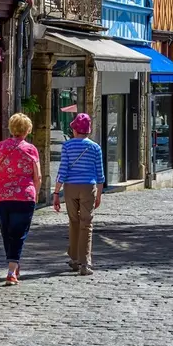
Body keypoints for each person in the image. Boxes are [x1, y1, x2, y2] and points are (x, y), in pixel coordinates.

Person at [0, 113, 42, 286]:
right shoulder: (31, 149)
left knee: (6, 232)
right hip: (24, 196)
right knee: (18, 233)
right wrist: (36, 192)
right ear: (27, 130)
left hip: (1, 196)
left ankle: (13, 264)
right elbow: (37, 175)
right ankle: (11, 270)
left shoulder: (0, 147)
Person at [53, 113, 104, 275]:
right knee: (86, 223)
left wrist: (56, 192)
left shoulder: (67, 146)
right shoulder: (95, 148)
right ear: (88, 131)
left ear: (75, 129)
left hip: (70, 187)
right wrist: (99, 195)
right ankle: (85, 263)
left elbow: (63, 170)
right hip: (88, 187)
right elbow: (100, 174)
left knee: (73, 221)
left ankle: (74, 259)